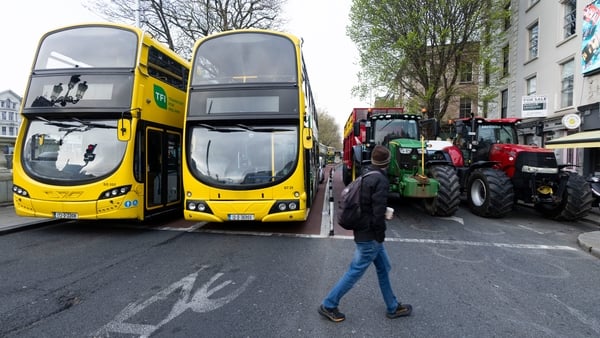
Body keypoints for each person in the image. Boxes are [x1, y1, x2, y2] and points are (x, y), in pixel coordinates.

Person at [318, 145, 412, 322]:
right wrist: (380, 235)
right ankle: (329, 304)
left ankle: (392, 306)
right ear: (388, 161)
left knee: (384, 267)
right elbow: (378, 214)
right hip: (370, 236)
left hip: (363, 230)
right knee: (355, 271)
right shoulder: (381, 181)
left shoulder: (367, 174)